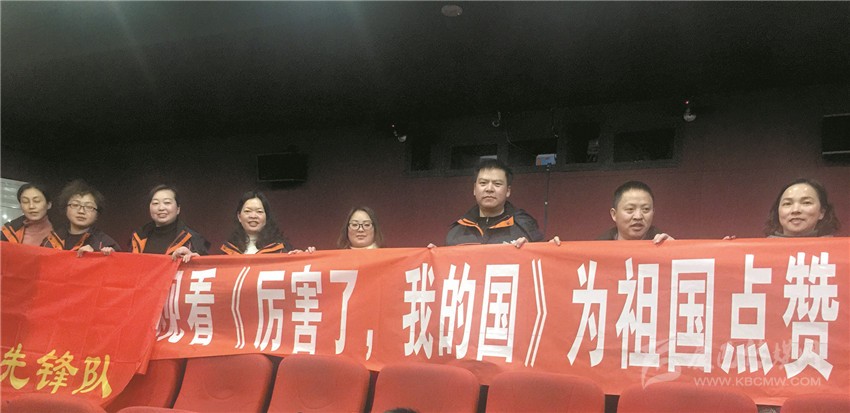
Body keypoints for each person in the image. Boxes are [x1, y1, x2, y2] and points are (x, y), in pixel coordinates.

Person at [445, 159, 543, 247]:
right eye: (483, 183)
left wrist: (529, 249)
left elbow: (541, 257)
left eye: (497, 184)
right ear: (474, 189)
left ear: (508, 191)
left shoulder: (525, 227)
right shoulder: (457, 231)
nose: (489, 189)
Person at [131, 184, 209, 262]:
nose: (161, 208)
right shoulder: (139, 235)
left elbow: (207, 266)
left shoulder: (192, 239)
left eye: (167, 202)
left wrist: (194, 260)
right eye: (155, 203)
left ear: (178, 209)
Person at [42, 179, 120, 256]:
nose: (81, 211)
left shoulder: (105, 244)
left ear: (97, 213)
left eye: (89, 207)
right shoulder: (50, 241)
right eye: (75, 205)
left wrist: (99, 255)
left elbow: (119, 262)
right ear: (66, 208)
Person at [221, 190, 314, 254]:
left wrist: (305, 257)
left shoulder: (281, 249)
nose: (253, 216)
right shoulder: (227, 250)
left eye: (259, 212)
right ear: (239, 217)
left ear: (266, 217)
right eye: (247, 211)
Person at [764, 178, 840, 237]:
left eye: (806, 203)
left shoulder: (836, 248)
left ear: (822, 212)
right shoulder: (761, 249)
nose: (795, 210)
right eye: (787, 203)